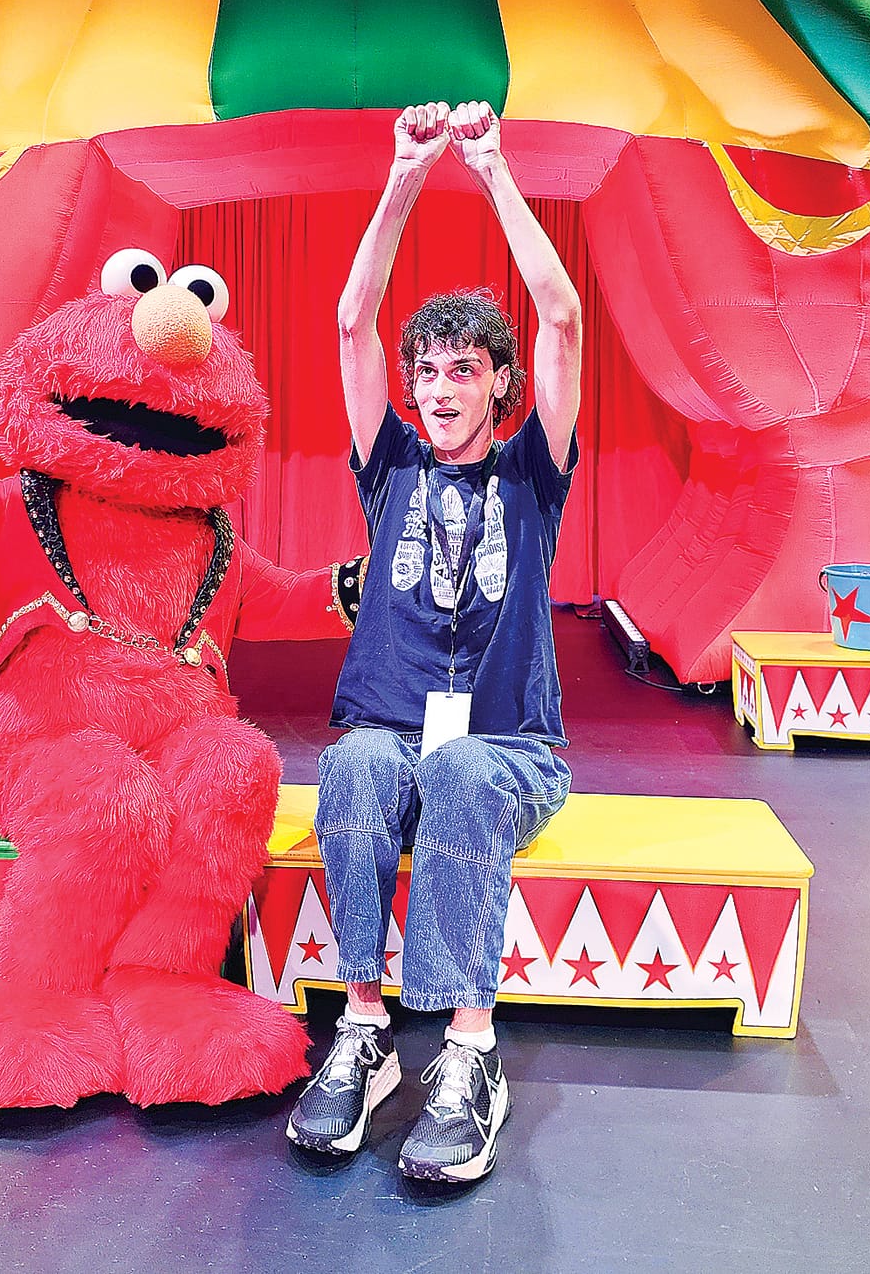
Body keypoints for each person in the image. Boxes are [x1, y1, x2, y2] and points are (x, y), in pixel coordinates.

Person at [285, 100, 583, 1182]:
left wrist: (491, 167)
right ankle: (362, 1033)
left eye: (464, 369)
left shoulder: (531, 473)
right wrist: (407, 173)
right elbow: (348, 320)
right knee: (359, 760)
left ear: (498, 383)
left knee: (456, 767)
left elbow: (558, 316)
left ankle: (467, 1054)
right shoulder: (390, 467)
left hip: (505, 747)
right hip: (390, 728)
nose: (440, 387)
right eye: (428, 371)